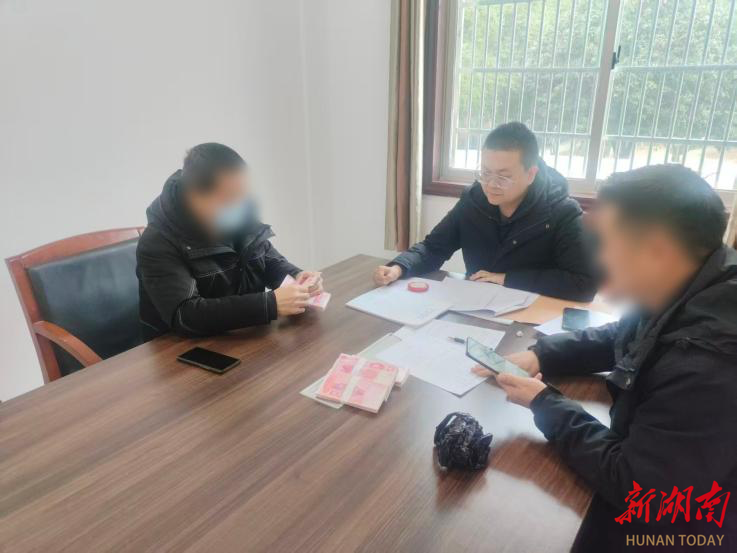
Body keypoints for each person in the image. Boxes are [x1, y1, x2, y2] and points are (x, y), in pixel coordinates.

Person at [484, 164, 737, 551]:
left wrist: (545, 404)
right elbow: (624, 334)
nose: (600, 258)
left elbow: (637, 488)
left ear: (656, 250)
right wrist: (542, 354)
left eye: (607, 243)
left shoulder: (708, 366)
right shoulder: (696, 283)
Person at [374, 122, 597, 301]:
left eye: (503, 176)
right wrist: (399, 267)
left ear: (531, 174)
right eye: (486, 172)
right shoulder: (473, 201)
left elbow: (584, 283)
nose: (491, 184)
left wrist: (507, 278)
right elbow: (434, 247)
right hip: (475, 307)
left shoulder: (562, 213)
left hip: (531, 318)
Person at [137, 143, 322, 340]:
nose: (240, 206)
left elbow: (266, 260)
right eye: (230, 198)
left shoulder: (237, 212)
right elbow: (186, 314)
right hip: (183, 349)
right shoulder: (157, 243)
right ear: (195, 196)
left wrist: (297, 278)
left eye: (243, 195)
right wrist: (269, 305)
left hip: (241, 338)